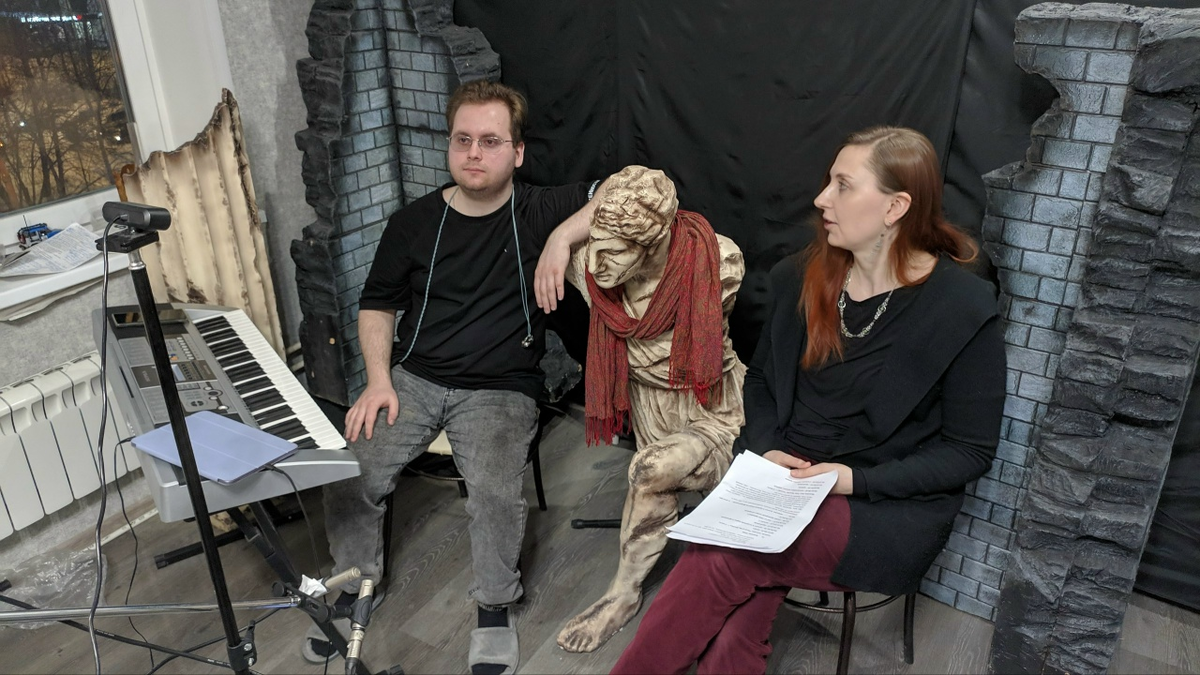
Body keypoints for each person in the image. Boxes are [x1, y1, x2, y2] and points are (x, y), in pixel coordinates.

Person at [610, 126, 1007, 674]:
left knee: (722, 554)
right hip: (784, 480)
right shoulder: (800, 276)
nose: (822, 198)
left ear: (895, 207)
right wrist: (766, 449)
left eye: (843, 185)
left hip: (880, 501)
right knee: (731, 630)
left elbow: (968, 452)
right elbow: (762, 381)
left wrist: (850, 480)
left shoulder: (963, 308)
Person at [307, 79, 604, 675]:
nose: (473, 152)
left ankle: (494, 606)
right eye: (462, 139)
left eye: (490, 141)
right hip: (415, 378)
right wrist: (378, 379)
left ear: (517, 152)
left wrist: (561, 238)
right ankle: (357, 583)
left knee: (493, 490)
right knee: (349, 466)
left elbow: (636, 187)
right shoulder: (414, 223)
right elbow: (377, 303)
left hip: (501, 386)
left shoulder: (540, 208)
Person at [550, 166, 746, 653]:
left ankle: (628, 593)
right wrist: (560, 238)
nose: (596, 265)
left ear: (654, 242)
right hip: (650, 410)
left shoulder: (716, 263)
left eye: (614, 251)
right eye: (594, 244)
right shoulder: (590, 267)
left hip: (708, 407)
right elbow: (576, 243)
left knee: (653, 473)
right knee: (652, 476)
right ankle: (634, 592)